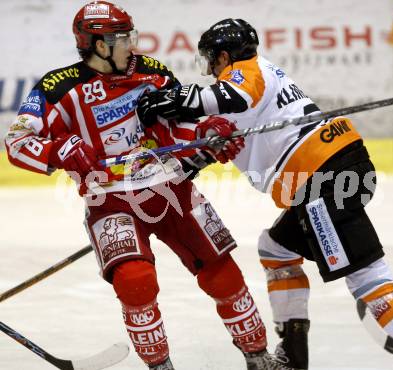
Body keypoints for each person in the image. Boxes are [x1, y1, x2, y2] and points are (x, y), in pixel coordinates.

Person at [136, 18, 393, 370]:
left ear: (222, 56)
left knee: (365, 272)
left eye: (212, 60)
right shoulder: (260, 78)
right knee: (275, 249)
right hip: (335, 171)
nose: (210, 69)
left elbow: (230, 95)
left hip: (323, 178)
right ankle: (294, 356)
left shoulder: (244, 73)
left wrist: (173, 99)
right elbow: (227, 136)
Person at [4, 5, 296, 370]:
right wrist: (60, 150)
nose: (131, 44)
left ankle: (258, 357)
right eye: (120, 38)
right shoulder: (56, 87)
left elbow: (176, 129)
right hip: (108, 199)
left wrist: (204, 135)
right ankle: (160, 366)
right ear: (97, 45)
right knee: (135, 281)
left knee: (223, 274)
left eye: (130, 35)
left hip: (170, 187)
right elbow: (16, 142)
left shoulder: (152, 72)